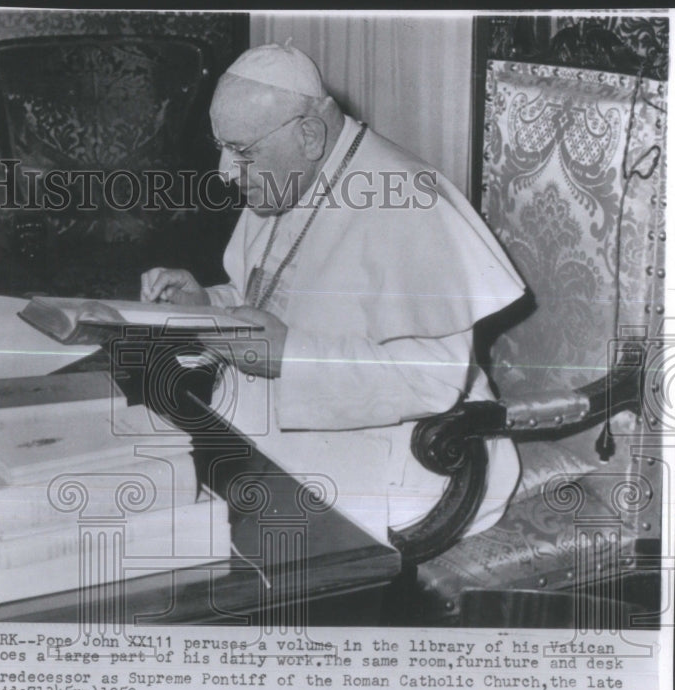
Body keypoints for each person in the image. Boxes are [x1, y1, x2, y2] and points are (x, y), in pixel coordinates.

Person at [141, 42, 525, 544]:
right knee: (159, 495)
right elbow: (267, 295)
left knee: (229, 555)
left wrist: (289, 356)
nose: (224, 172)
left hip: (411, 452)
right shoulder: (286, 176)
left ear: (309, 133)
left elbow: (433, 380)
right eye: (222, 147)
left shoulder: (409, 201)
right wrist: (205, 305)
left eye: (242, 151)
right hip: (287, 427)